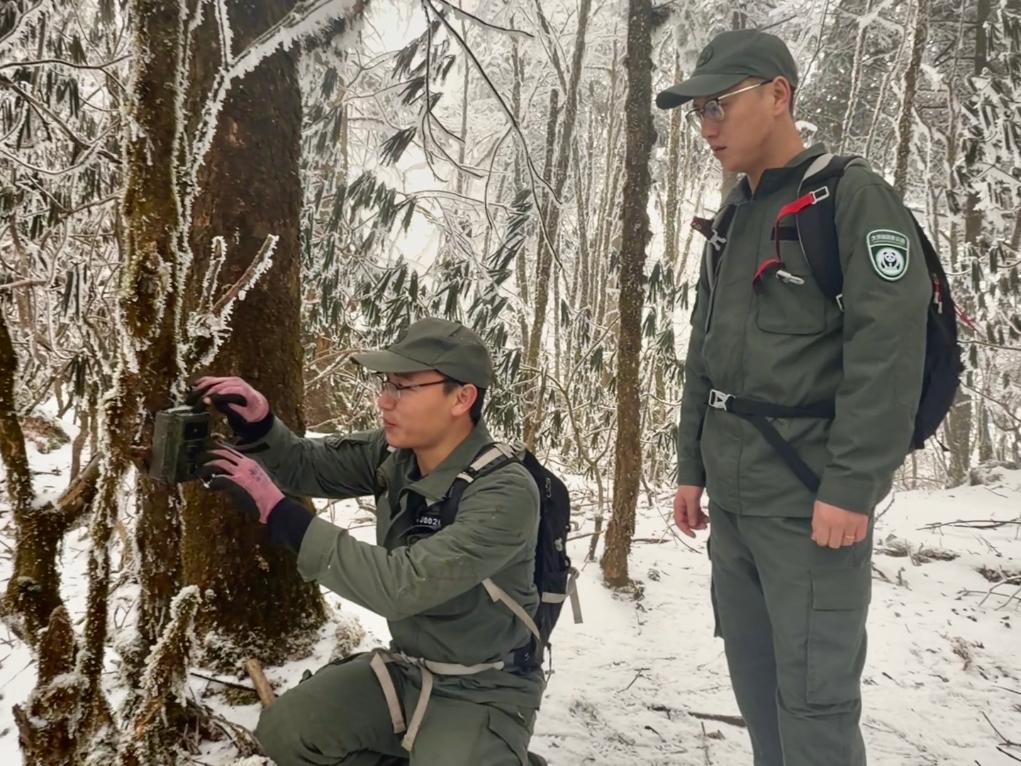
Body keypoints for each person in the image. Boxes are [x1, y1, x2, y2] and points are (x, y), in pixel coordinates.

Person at [656, 29, 930, 766]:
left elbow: (888, 353)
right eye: (697, 112)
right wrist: (691, 465)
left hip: (811, 505)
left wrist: (850, 484)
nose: (707, 125)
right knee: (756, 685)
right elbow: (704, 349)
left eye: (719, 105)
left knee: (815, 703)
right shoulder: (737, 212)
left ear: (778, 95)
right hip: (736, 505)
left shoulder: (848, 197)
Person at [193, 318, 547, 765]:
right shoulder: (395, 454)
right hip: (407, 671)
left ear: (462, 397)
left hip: (484, 688)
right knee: (288, 731)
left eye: (405, 387)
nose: (385, 400)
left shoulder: (505, 491)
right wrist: (260, 427)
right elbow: (308, 465)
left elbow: (401, 586)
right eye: (386, 384)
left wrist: (278, 512)